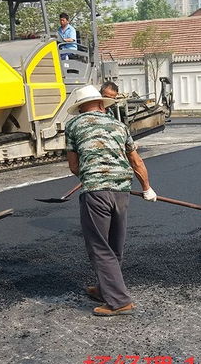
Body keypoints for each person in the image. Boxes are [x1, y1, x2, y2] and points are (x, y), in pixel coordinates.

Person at [65, 85, 158, 316]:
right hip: (122, 191)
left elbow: (73, 165)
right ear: (100, 104)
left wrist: (90, 175)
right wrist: (147, 188)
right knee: (114, 244)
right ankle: (106, 288)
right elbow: (136, 161)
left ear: (80, 108)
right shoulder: (119, 125)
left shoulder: (73, 125)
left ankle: (119, 301)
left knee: (99, 246)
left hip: (96, 193)